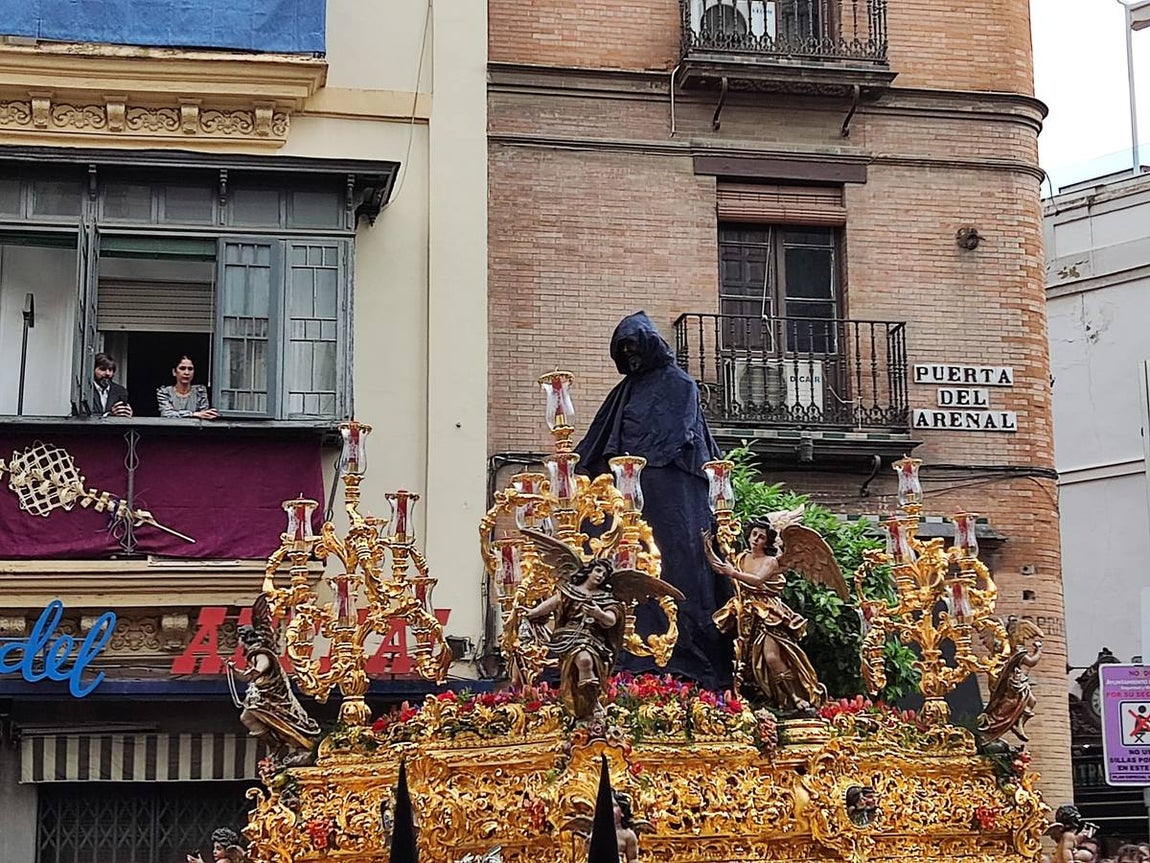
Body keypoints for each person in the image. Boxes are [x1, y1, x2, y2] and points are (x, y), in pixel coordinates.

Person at [575, 311, 729, 689]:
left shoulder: (681, 385)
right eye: (623, 348)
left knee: (680, 568)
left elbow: (680, 434)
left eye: (634, 345)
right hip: (629, 501)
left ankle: (684, 660)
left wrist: (648, 461)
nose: (630, 354)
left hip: (674, 495)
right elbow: (599, 443)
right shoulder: (623, 393)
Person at [707, 517, 826, 712]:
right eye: (754, 534)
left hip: (768, 614)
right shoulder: (742, 558)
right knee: (751, 663)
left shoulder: (771, 561)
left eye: (761, 537)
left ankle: (796, 697)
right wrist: (708, 550)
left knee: (771, 657)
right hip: (746, 614)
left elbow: (756, 580)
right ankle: (775, 700)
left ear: (767, 541)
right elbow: (723, 569)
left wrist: (733, 573)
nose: (756, 539)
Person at [525, 557, 626, 720]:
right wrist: (530, 613)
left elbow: (612, 619)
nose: (600, 575)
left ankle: (591, 702)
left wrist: (598, 613)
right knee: (585, 661)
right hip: (570, 635)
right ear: (589, 571)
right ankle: (591, 703)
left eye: (604, 574)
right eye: (598, 570)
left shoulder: (605, 598)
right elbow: (552, 604)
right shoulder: (570, 591)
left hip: (594, 637)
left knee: (587, 661)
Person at [158, 355, 218, 419]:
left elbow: (204, 414)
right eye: (182, 368)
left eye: (190, 369)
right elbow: (166, 414)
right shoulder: (164, 392)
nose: (187, 372)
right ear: (174, 372)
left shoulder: (200, 391)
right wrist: (193, 414)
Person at [91, 352, 133, 417]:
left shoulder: (120, 391)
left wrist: (127, 414)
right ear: (93, 370)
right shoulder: (87, 391)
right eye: (103, 369)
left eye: (110, 370)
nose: (107, 373)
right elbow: (84, 416)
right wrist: (109, 415)